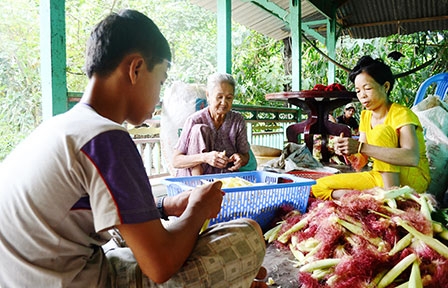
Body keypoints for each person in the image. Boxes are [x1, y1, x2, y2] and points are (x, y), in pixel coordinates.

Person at [0, 10, 266, 287]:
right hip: (71, 281)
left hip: (31, 275)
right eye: (161, 80)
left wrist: (165, 206)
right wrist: (197, 209)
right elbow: (160, 265)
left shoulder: (60, 126)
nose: (160, 95)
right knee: (246, 235)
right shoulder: (106, 138)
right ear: (135, 68)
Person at [311, 55, 430, 200]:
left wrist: (361, 147)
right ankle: (368, 197)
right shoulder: (365, 116)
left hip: (410, 180)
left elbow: (412, 157)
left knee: (381, 131)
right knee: (317, 186)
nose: (362, 96)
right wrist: (348, 151)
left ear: (385, 87)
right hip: (379, 176)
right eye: (358, 91)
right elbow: (362, 160)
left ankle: (390, 197)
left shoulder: (402, 114)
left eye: (367, 88)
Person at [172, 72, 251, 176]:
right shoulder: (195, 120)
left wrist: (240, 159)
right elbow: (176, 161)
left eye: (229, 97)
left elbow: (246, 156)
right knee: (199, 129)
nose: (224, 102)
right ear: (208, 95)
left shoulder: (237, 120)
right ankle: (198, 187)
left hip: (225, 179)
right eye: (219, 97)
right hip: (195, 178)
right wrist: (205, 157)